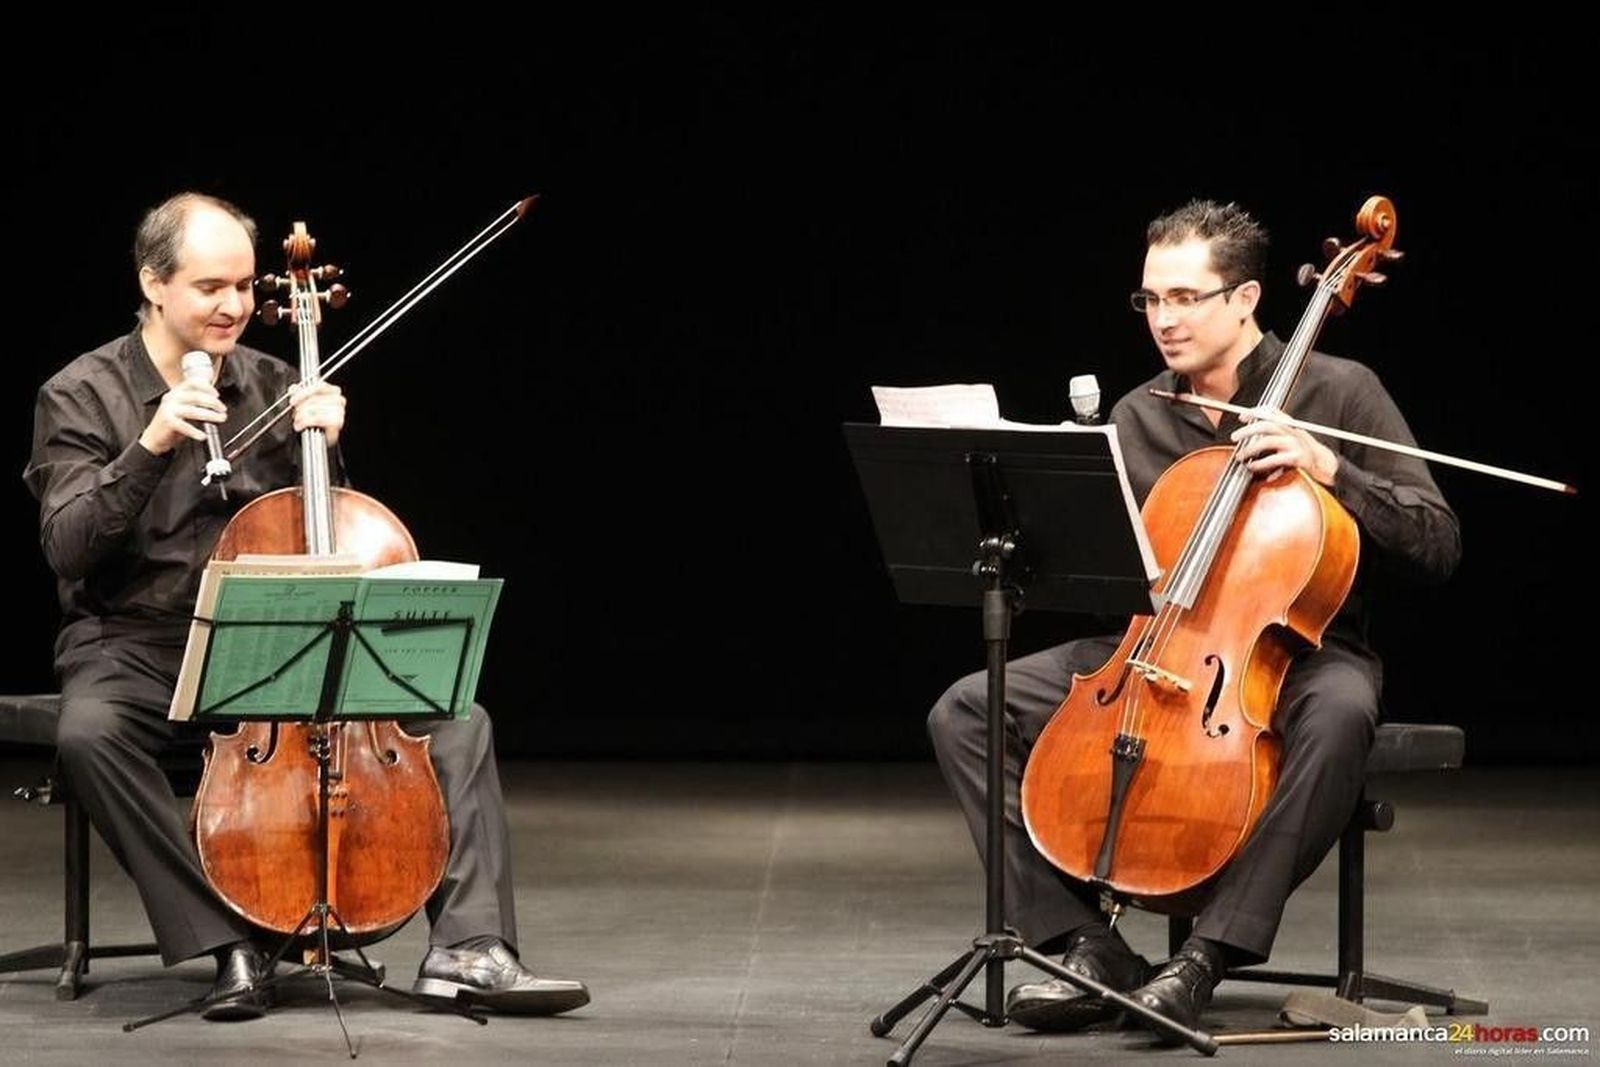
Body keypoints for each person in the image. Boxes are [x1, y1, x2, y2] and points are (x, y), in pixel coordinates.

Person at [22, 192, 589, 1022]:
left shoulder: (282, 384)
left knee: (458, 715)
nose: (235, 306)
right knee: (88, 734)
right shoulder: (80, 394)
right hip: (138, 645)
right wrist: (152, 444)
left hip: (274, 643)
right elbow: (68, 546)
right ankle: (227, 943)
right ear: (152, 282)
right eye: (211, 286)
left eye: (247, 287)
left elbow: (335, 542)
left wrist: (330, 451)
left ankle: (468, 948)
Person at [926, 199, 1460, 1036]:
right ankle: (1086, 943)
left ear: (1245, 300)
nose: (1164, 320)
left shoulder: (1341, 392)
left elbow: (1438, 541)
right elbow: (1110, 574)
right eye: (1151, 301)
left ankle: (1206, 956)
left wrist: (1330, 468)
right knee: (966, 707)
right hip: (1156, 643)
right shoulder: (1137, 415)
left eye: (1185, 298)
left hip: (1301, 654)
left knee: (1343, 710)